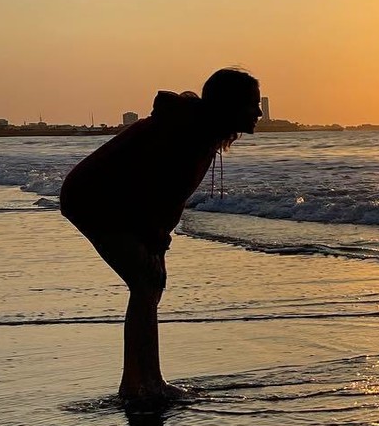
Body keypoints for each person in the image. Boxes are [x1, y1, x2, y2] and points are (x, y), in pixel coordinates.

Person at [60, 68, 262, 406]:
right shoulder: (188, 134)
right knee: (144, 284)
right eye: (252, 104)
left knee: (149, 284)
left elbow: (166, 197)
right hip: (94, 197)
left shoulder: (200, 131)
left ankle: (142, 380)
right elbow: (157, 190)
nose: (258, 112)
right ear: (230, 105)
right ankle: (142, 385)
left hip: (112, 199)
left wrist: (156, 243)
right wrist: (155, 242)